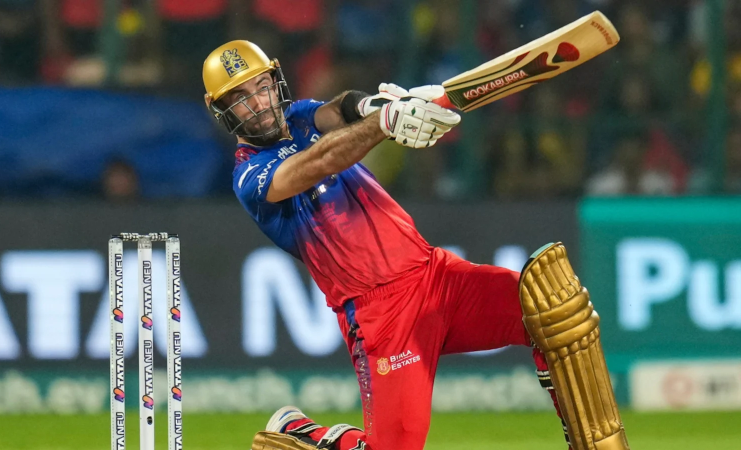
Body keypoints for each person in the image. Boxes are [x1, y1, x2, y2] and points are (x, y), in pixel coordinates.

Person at [202, 41, 624, 450]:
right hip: (381, 315)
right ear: (220, 109)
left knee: (551, 312)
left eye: (262, 86)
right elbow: (321, 161)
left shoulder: (299, 117)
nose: (259, 103)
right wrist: (384, 123)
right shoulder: (249, 176)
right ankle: (299, 433)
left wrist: (375, 106)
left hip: (436, 276)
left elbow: (340, 108)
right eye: (241, 98)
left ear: (276, 80)